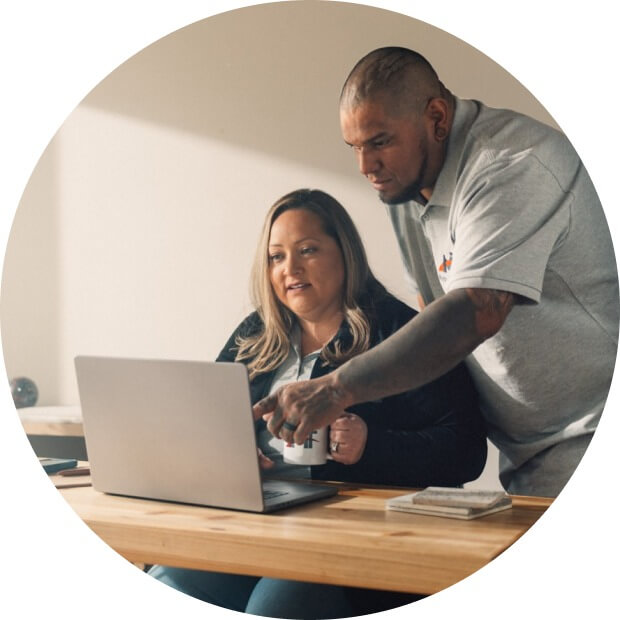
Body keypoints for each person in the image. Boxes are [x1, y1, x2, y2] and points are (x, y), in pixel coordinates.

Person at [255, 47, 619, 499]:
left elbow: (476, 311)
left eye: (380, 142)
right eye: (355, 147)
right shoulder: (407, 189)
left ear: (437, 118)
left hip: (591, 432)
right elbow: (434, 310)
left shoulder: (512, 164)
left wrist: (335, 390)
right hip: (524, 452)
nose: (365, 166)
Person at [149, 188, 487, 618]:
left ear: (344, 253)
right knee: (167, 581)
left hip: (355, 539)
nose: (290, 268)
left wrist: (372, 445)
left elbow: (466, 450)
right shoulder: (254, 336)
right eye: (276, 257)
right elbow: (206, 423)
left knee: (277, 604)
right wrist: (231, 455)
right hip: (256, 525)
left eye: (307, 250)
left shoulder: (401, 335)